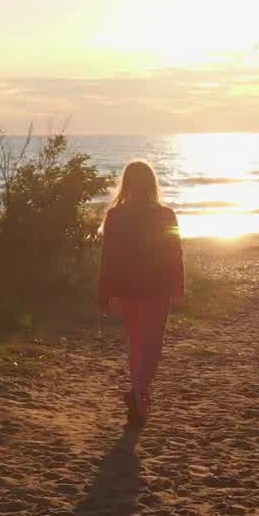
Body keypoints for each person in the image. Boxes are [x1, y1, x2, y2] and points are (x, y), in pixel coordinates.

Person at [96, 160, 186, 427]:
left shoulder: (115, 215)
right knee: (153, 345)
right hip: (156, 287)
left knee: (136, 343)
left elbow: (108, 258)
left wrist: (104, 292)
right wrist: (178, 286)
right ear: (151, 183)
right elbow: (174, 252)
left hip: (125, 287)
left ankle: (139, 396)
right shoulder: (165, 214)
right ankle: (139, 393)